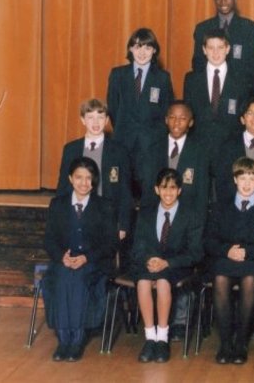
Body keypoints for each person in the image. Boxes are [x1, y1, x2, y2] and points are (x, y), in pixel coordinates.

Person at [206, 157, 254, 365]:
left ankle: (241, 342)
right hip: (226, 259)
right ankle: (225, 343)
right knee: (220, 278)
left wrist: (247, 252)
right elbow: (209, 240)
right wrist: (227, 250)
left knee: (249, 280)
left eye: (251, 179)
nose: (247, 184)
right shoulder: (220, 207)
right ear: (235, 180)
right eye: (242, 178)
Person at [43, 157, 116, 362]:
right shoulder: (57, 204)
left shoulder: (104, 206)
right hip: (64, 261)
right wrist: (62, 257)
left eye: (88, 178)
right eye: (79, 177)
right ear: (70, 179)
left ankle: (76, 340)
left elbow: (111, 243)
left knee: (77, 279)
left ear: (94, 181)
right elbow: (49, 239)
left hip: (94, 263)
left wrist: (86, 257)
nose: (84, 183)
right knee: (62, 278)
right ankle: (63, 340)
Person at [132, 168, 203, 363]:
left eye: (173, 188)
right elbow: (137, 246)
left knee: (163, 282)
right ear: (156, 190)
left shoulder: (191, 215)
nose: (168, 192)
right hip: (149, 263)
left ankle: (162, 338)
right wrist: (149, 259)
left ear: (179, 190)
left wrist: (167, 263)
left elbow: (195, 253)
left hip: (176, 265)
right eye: (164, 188)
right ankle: (150, 338)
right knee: (143, 283)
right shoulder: (146, 213)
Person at [57, 99, 132, 243]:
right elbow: (63, 187)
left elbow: (125, 191)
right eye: (90, 117)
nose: (96, 122)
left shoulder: (119, 151)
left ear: (107, 120)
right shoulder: (71, 149)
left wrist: (123, 224)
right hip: (78, 216)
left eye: (100, 117)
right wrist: (61, 220)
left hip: (107, 218)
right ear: (82, 120)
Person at [107, 28, 175, 176]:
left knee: (149, 185)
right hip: (123, 142)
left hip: (151, 146)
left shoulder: (163, 78)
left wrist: (155, 136)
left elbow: (167, 111)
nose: (142, 52)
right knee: (123, 183)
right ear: (130, 48)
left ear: (154, 50)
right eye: (138, 47)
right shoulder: (118, 75)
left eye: (148, 47)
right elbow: (113, 108)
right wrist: (124, 129)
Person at [138, 102, 210, 224]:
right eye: (172, 117)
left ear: (191, 122)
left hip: (187, 220)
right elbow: (147, 190)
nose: (177, 122)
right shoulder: (153, 150)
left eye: (183, 118)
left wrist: (198, 224)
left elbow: (202, 194)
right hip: (158, 217)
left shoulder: (200, 152)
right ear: (166, 120)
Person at [183, 29, 251, 155]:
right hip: (199, 148)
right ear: (204, 50)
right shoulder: (192, 79)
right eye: (211, 48)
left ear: (228, 49)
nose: (215, 53)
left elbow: (244, 117)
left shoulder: (241, 80)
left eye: (220, 47)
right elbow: (188, 115)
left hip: (230, 149)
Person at [192, 0, 254, 95]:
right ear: (214, 0)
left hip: (242, 93)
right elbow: (198, 64)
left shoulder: (249, 28)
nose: (223, 1)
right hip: (212, 91)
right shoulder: (202, 28)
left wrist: (245, 92)